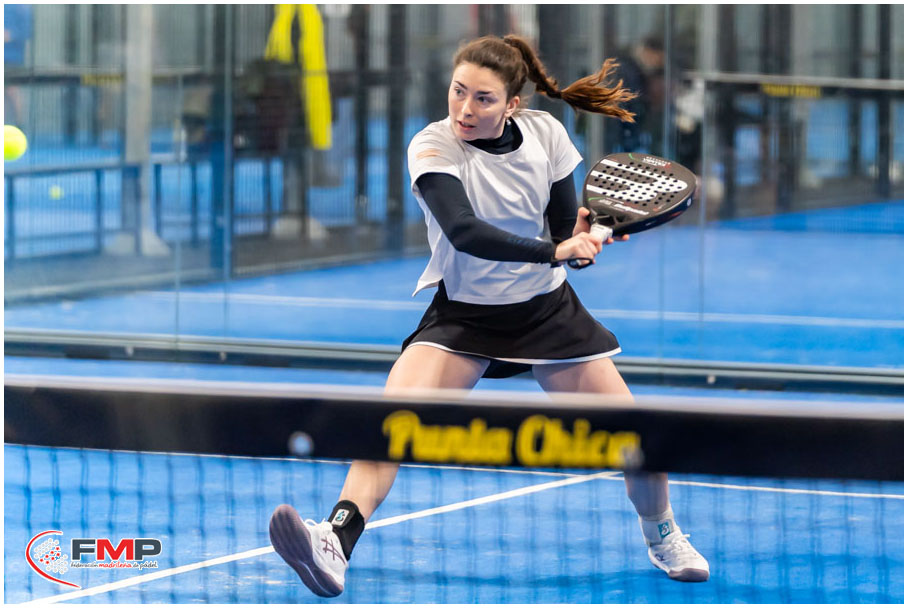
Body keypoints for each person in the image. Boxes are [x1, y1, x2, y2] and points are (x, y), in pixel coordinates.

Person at [269, 34, 709, 597]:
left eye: (483, 98)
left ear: (512, 105)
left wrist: (578, 240)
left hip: (547, 313)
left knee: (634, 436)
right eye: (458, 92)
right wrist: (556, 250)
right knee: (391, 425)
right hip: (465, 319)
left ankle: (663, 534)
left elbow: (560, 232)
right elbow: (465, 232)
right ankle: (334, 540)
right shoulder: (433, 145)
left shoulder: (546, 134)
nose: (465, 109)